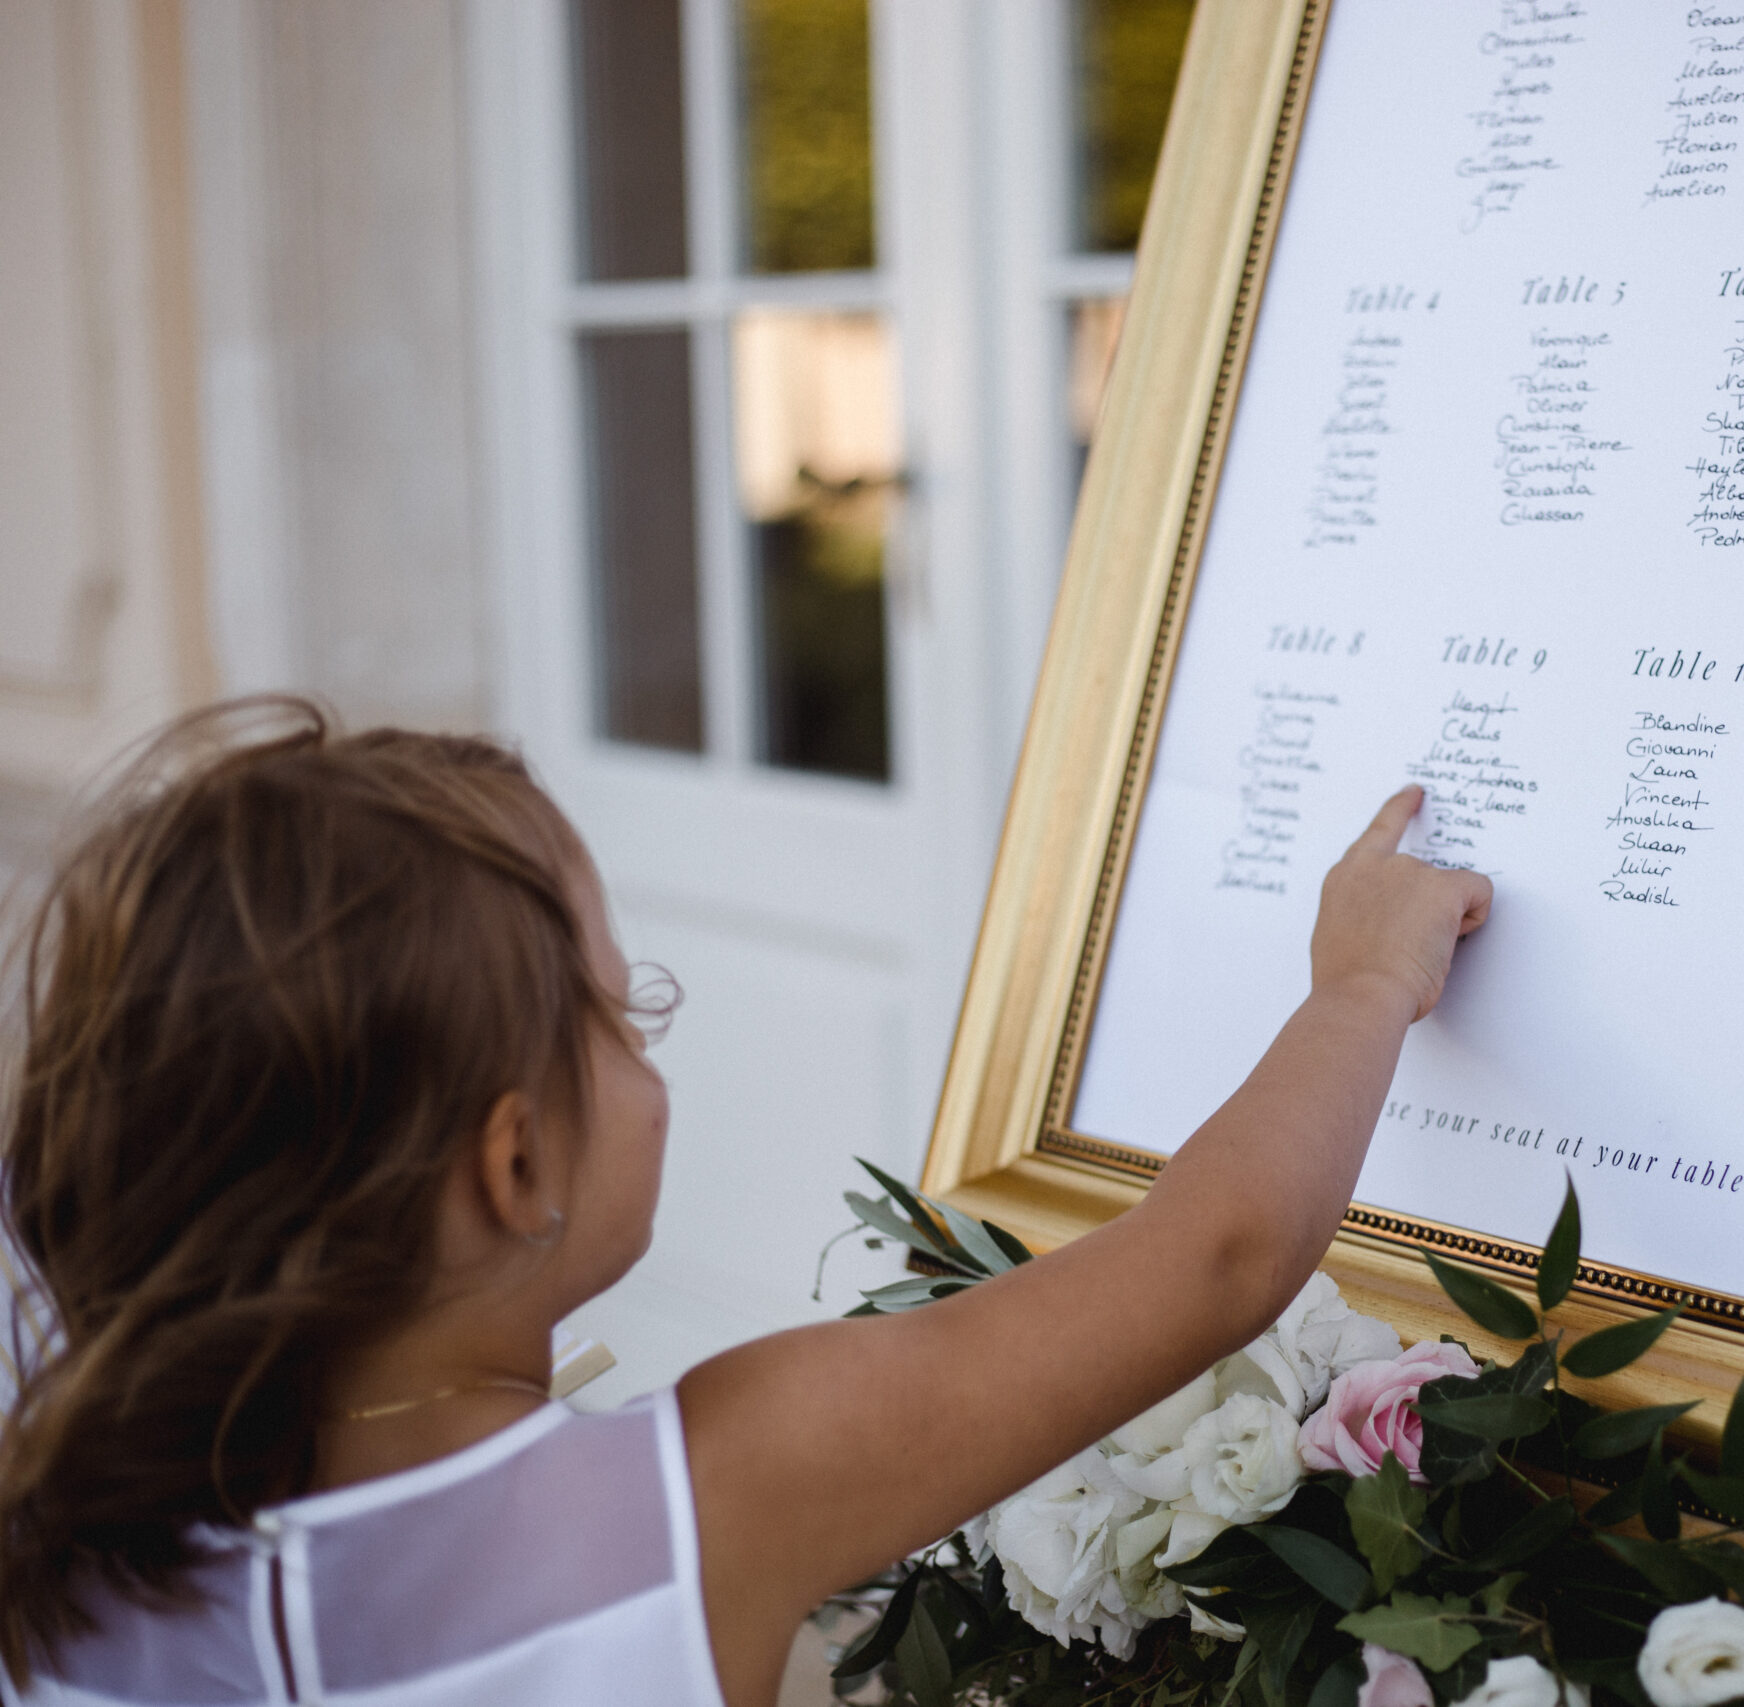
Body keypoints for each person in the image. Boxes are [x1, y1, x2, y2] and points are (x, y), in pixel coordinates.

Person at [0, 699, 1490, 1707]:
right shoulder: (714, 1492)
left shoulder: (57, 1532)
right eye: (619, 1007)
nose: (649, 1038)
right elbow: (1215, 1257)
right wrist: (1365, 984)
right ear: (514, 1166)